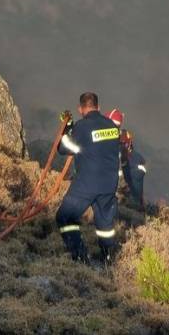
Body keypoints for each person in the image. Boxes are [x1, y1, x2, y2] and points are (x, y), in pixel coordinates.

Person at [56, 92, 121, 264]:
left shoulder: (82, 127)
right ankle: (108, 258)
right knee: (105, 224)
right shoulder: (112, 126)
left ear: (80, 109)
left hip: (87, 183)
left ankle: (80, 257)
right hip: (109, 183)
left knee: (65, 217)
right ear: (98, 107)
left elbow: (63, 148)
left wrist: (67, 127)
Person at [119, 129, 146, 210]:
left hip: (132, 202)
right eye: (119, 144)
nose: (121, 147)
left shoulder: (137, 159)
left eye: (123, 144)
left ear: (129, 143)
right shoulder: (114, 158)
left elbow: (137, 178)